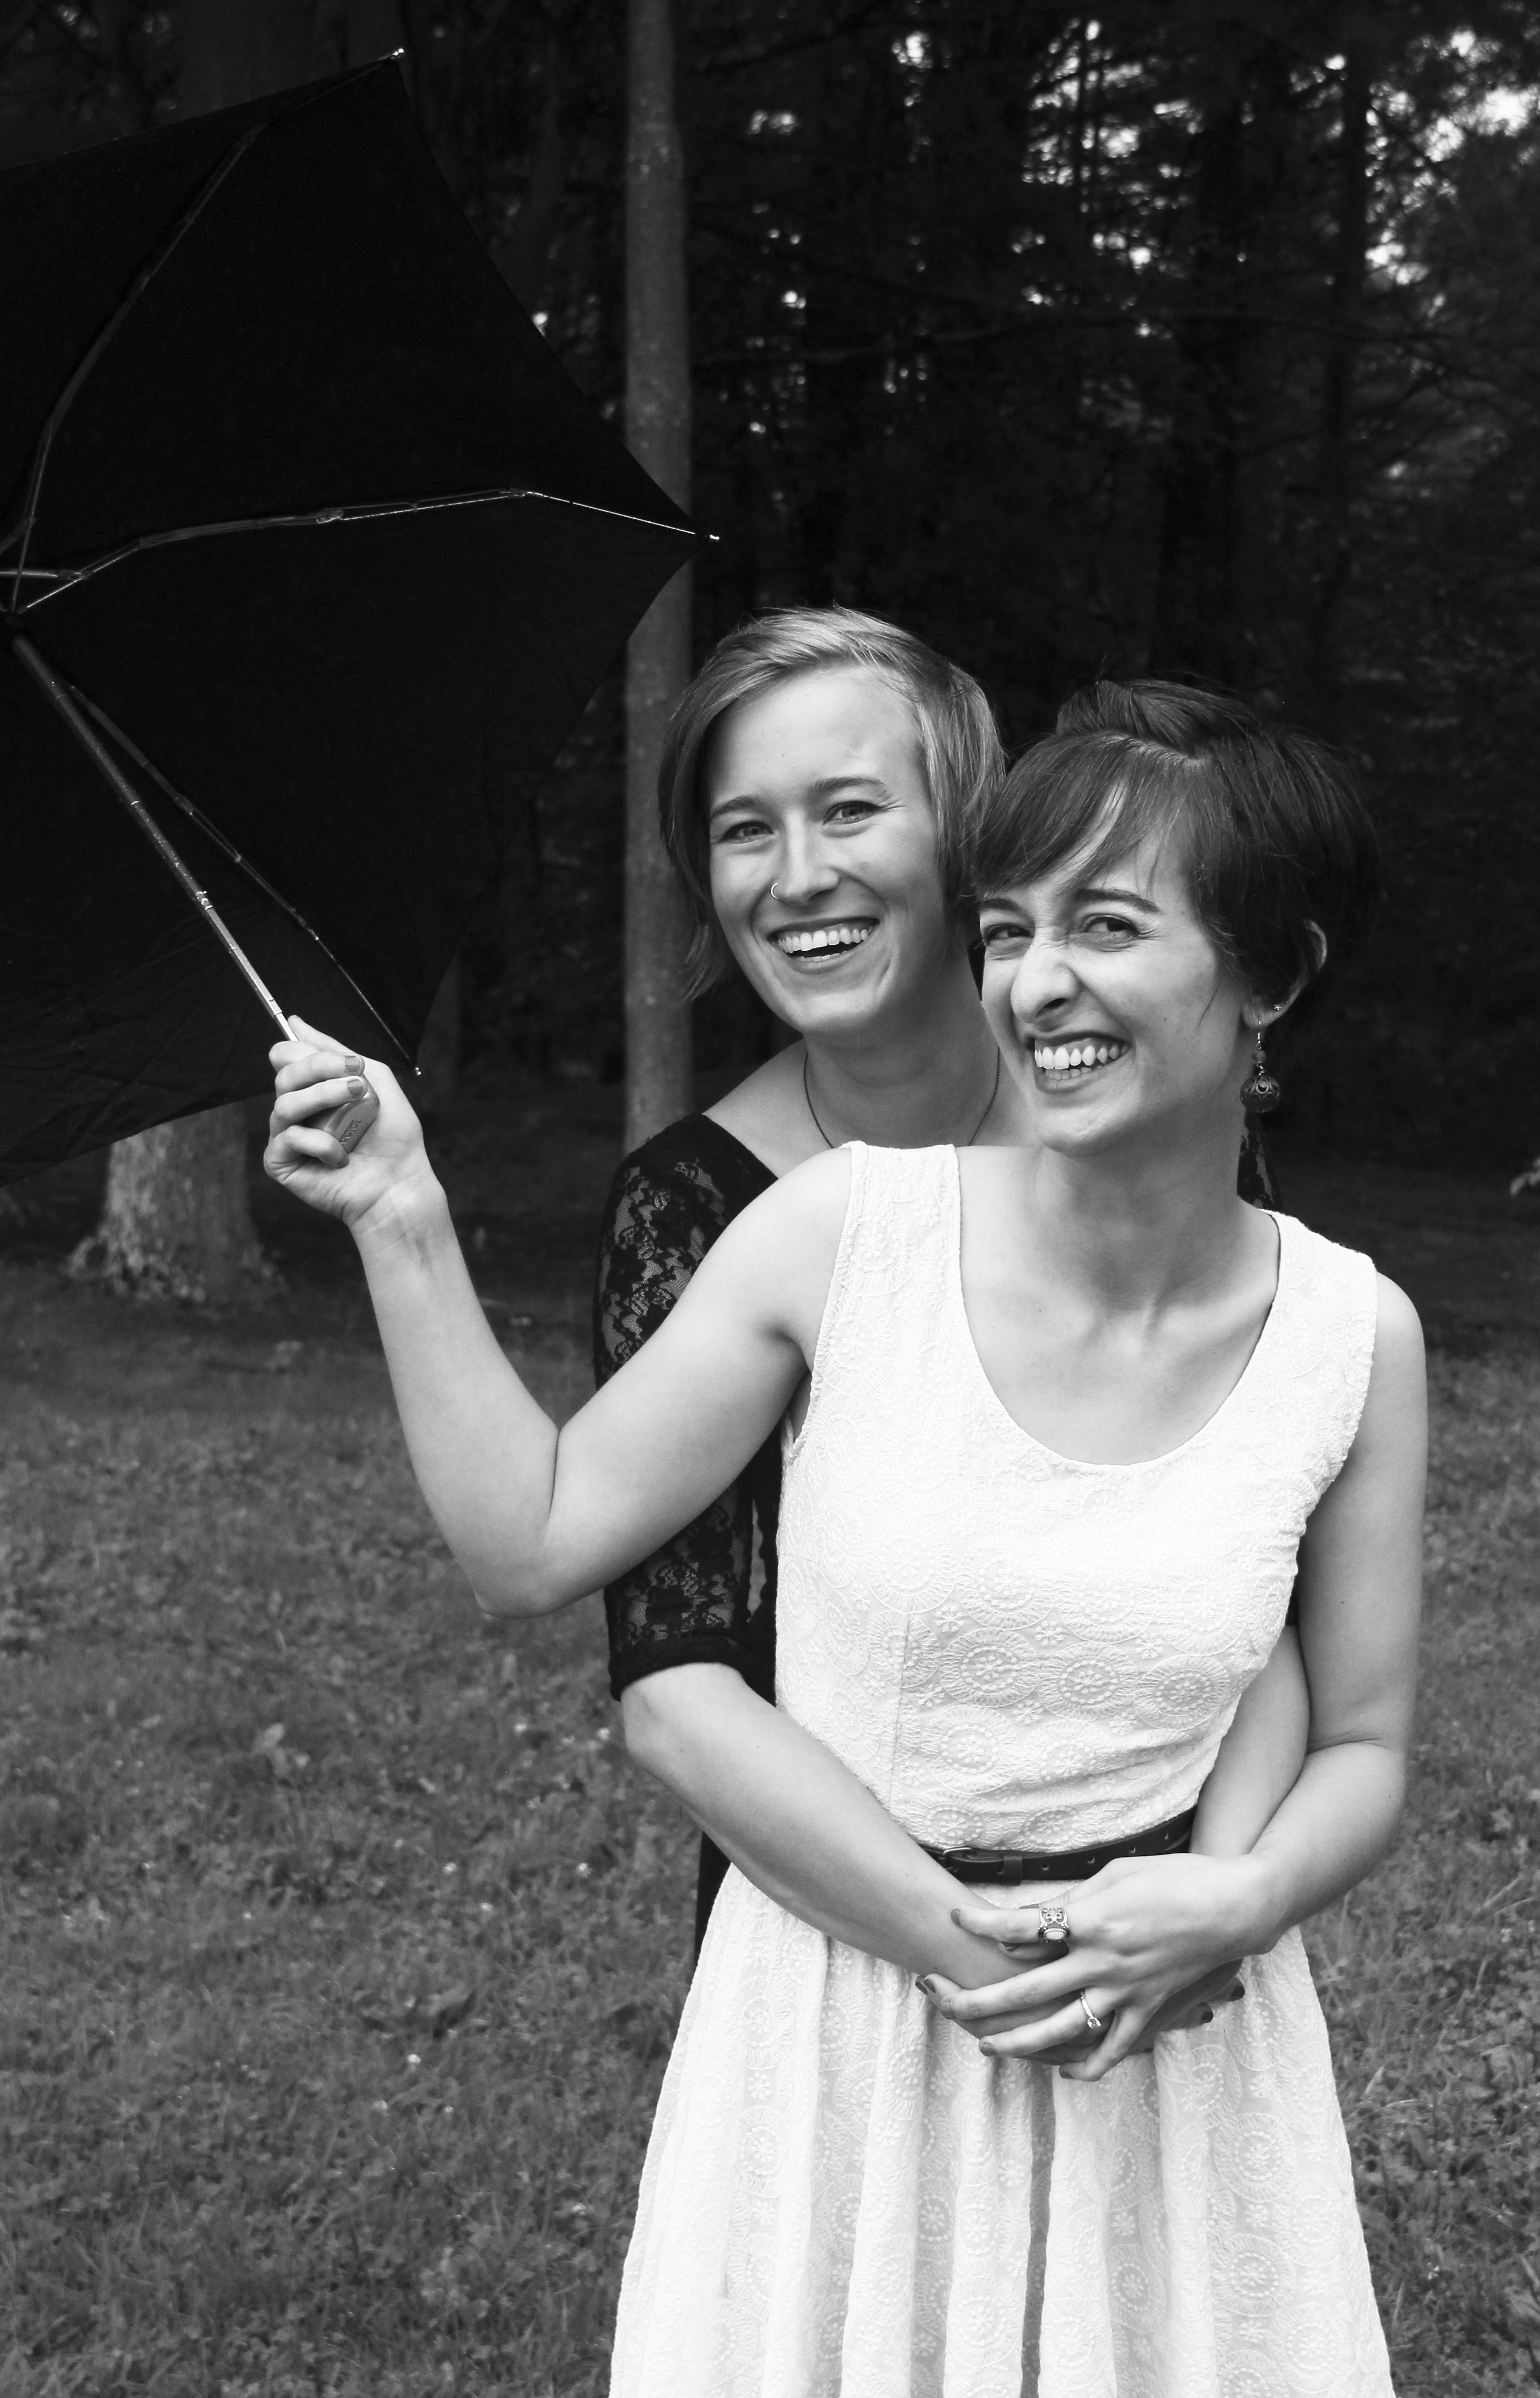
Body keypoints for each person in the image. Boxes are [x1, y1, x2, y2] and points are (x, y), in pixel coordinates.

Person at [264, 675, 1423, 2394]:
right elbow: (537, 1535)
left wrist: (1234, 1900)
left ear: (1274, 974)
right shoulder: (841, 1236)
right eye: (1012, 929)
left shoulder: (1352, 1336)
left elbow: (1357, 1736)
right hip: (841, 2040)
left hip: (1181, 2063)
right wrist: (400, 1213)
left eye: (1107, 926)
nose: (1038, 982)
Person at [594, 607, 1285, 1958]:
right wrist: (974, 1955)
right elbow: (675, 1683)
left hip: (1168, 1936)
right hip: (837, 1930)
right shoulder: (696, 1209)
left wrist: (1216, 1906)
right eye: (744, 828)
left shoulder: (1138, 1105)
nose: (800, 876)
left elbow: (1271, 1596)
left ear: (969, 833)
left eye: (850, 809)